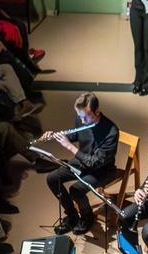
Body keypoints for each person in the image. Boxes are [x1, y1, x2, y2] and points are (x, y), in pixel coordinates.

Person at [45, 92, 121, 235]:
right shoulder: (82, 118)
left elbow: (95, 163)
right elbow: (75, 135)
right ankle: (72, 215)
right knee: (52, 178)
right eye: (80, 117)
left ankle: (87, 217)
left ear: (97, 111)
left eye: (85, 117)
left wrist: (69, 147)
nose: (82, 121)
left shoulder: (111, 131)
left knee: (76, 190)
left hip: (102, 170)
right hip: (81, 162)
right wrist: (58, 136)